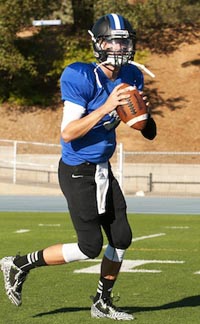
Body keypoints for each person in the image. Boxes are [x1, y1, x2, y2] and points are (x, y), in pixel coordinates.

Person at [0, 13, 156, 320]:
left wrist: (142, 116)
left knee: (121, 238)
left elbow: (148, 132)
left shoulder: (132, 77)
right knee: (89, 246)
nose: (120, 47)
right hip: (76, 169)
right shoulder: (81, 76)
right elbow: (68, 132)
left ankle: (102, 301)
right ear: (98, 43)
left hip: (102, 168)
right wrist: (108, 107)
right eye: (113, 40)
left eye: (124, 41)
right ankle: (19, 264)